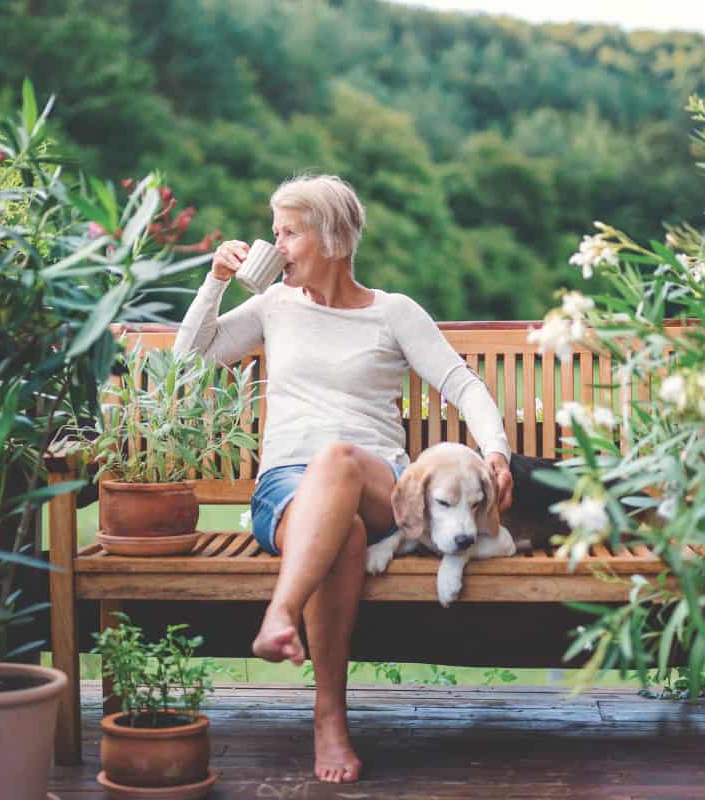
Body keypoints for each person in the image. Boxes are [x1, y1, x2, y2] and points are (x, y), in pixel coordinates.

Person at [173, 174, 513, 783]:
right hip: (286, 486)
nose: (275, 246)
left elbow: (462, 383)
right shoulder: (274, 305)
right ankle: (330, 720)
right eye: (273, 233)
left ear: (330, 238)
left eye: (289, 234)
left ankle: (280, 613)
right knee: (346, 537)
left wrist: (496, 451)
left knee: (338, 460)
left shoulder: (394, 313)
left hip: (383, 483)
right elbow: (189, 362)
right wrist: (216, 280)